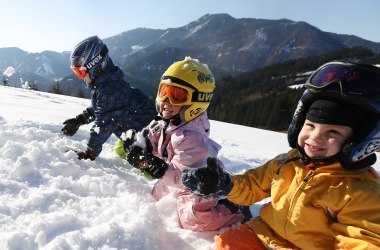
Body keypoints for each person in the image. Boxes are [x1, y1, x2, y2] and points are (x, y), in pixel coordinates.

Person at [181, 61, 380, 249]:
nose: (315, 138)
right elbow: (253, 185)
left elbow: (364, 240)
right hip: (265, 233)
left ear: (359, 140)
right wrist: (224, 184)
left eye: (332, 133)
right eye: (310, 125)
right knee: (225, 244)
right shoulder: (288, 162)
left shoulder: (360, 191)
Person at [118, 57, 249, 232]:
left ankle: (234, 209)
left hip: (195, 186)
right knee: (154, 200)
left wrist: (149, 164)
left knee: (194, 221)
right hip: (171, 178)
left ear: (197, 101)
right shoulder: (165, 121)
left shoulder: (192, 137)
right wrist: (137, 147)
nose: (165, 100)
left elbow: (182, 178)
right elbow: (149, 138)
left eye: (176, 95)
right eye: (163, 91)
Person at [61, 36, 156, 160]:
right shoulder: (105, 84)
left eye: (80, 72)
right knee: (121, 149)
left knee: (135, 156)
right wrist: (79, 120)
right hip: (135, 130)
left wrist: (89, 154)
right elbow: (100, 108)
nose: (80, 77)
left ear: (95, 67)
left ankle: (154, 167)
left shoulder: (111, 90)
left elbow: (103, 126)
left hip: (150, 139)